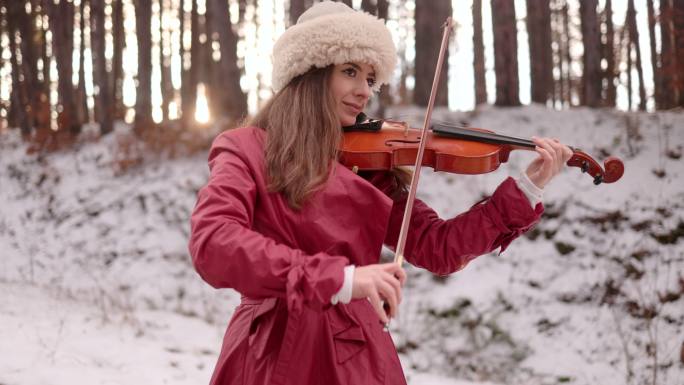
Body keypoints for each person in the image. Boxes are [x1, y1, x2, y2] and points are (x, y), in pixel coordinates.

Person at [188, 2, 573, 384]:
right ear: (309, 73)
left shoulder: (368, 169)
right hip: (271, 353)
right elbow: (214, 242)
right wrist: (339, 279)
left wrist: (526, 188)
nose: (363, 92)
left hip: (353, 358)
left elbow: (439, 247)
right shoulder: (245, 148)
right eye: (350, 71)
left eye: (370, 79)